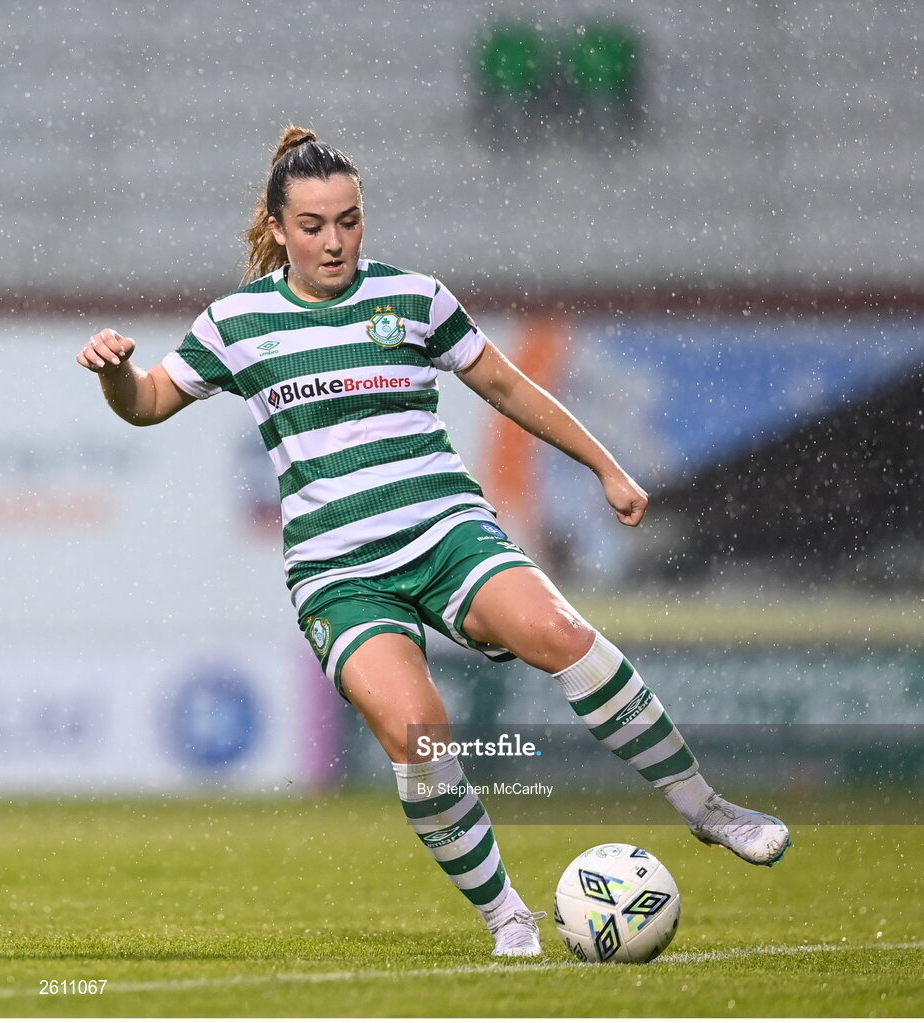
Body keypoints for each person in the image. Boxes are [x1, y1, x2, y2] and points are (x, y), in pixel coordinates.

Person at [77, 124, 790, 958]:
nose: (334, 240)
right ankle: (509, 919)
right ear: (276, 228)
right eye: (313, 226)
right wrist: (116, 372)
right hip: (338, 570)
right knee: (418, 733)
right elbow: (151, 401)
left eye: (349, 220)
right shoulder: (238, 322)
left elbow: (506, 386)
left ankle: (707, 809)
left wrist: (605, 466)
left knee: (563, 635)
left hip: (446, 532)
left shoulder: (415, 298)